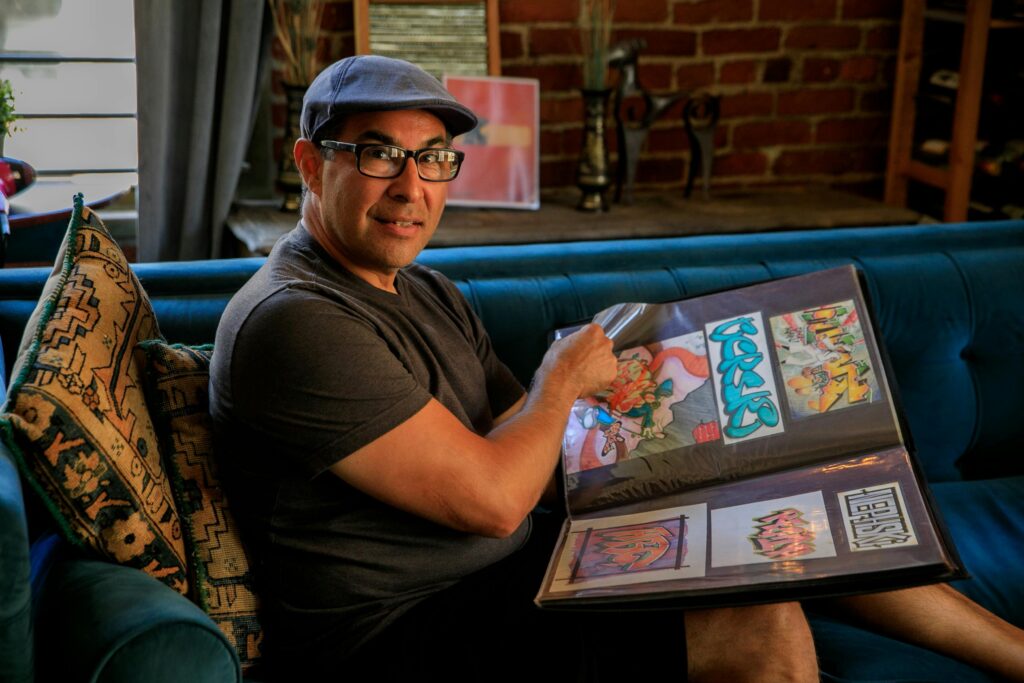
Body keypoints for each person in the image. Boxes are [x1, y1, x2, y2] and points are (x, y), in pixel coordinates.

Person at [210, 55, 1024, 682]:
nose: (412, 188)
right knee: (758, 614)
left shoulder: (422, 287)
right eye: (379, 155)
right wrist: (564, 377)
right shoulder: (298, 321)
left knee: (777, 510)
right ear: (311, 165)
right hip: (398, 634)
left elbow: (529, 434)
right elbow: (496, 498)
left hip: (509, 569)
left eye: (434, 160)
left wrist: (684, 417)